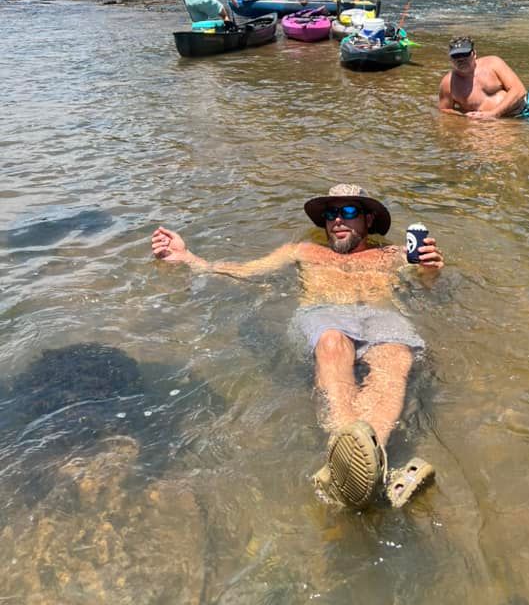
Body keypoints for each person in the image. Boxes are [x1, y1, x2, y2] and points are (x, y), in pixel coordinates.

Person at [151, 184, 444, 510]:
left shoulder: (393, 254)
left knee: (396, 354)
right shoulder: (303, 250)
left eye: (348, 212)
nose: (338, 221)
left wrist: (431, 269)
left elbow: (425, 284)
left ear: (369, 219)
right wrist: (188, 258)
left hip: (381, 320)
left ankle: (358, 472)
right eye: (331, 214)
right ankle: (353, 463)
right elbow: (243, 273)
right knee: (333, 341)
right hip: (323, 318)